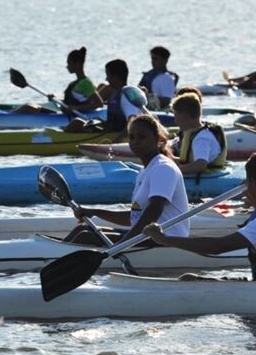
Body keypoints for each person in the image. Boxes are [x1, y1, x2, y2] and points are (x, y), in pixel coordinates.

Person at [143, 150, 256, 282]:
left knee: (187, 281)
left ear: (255, 183)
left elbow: (217, 246)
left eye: (247, 182)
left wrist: (166, 239)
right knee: (190, 278)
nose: (245, 187)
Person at [67, 113, 190, 245]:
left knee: (85, 238)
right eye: (131, 137)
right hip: (148, 236)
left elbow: (154, 209)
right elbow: (134, 217)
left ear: (156, 139)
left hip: (167, 240)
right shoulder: (145, 170)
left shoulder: (163, 168)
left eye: (142, 137)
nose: (135, 141)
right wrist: (94, 212)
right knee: (82, 230)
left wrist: (125, 243)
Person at [170, 92, 227, 175]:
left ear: (186, 118)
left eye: (176, 118)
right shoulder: (197, 133)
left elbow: (200, 165)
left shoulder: (201, 139)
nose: (175, 122)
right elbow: (187, 160)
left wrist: (174, 171)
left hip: (206, 179)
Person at [139, 45, 179, 110]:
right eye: (152, 58)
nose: (152, 61)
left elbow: (166, 101)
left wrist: (146, 98)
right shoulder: (148, 75)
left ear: (165, 60)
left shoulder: (167, 78)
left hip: (159, 111)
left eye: (155, 59)